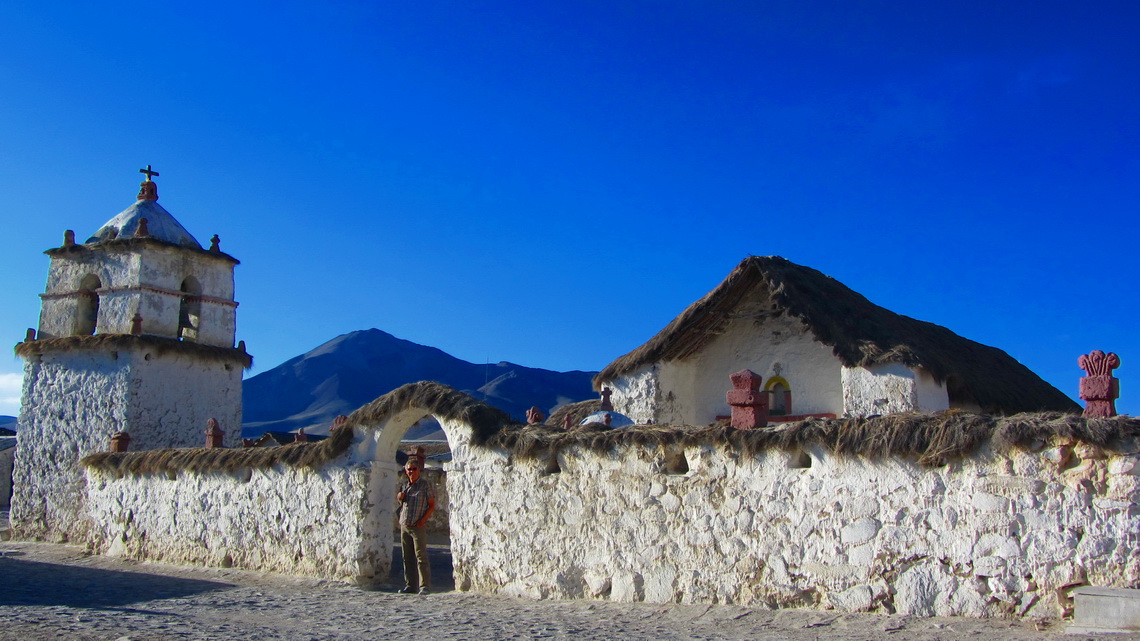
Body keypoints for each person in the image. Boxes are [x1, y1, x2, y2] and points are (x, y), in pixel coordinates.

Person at [396, 460, 435, 594]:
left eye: (414, 469)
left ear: (419, 470)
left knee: (421, 556)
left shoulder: (425, 485)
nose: (411, 471)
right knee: (407, 557)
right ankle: (410, 585)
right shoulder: (405, 485)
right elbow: (402, 502)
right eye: (409, 469)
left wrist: (423, 520)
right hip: (405, 524)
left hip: (417, 525)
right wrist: (399, 497)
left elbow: (431, 505)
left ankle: (424, 585)